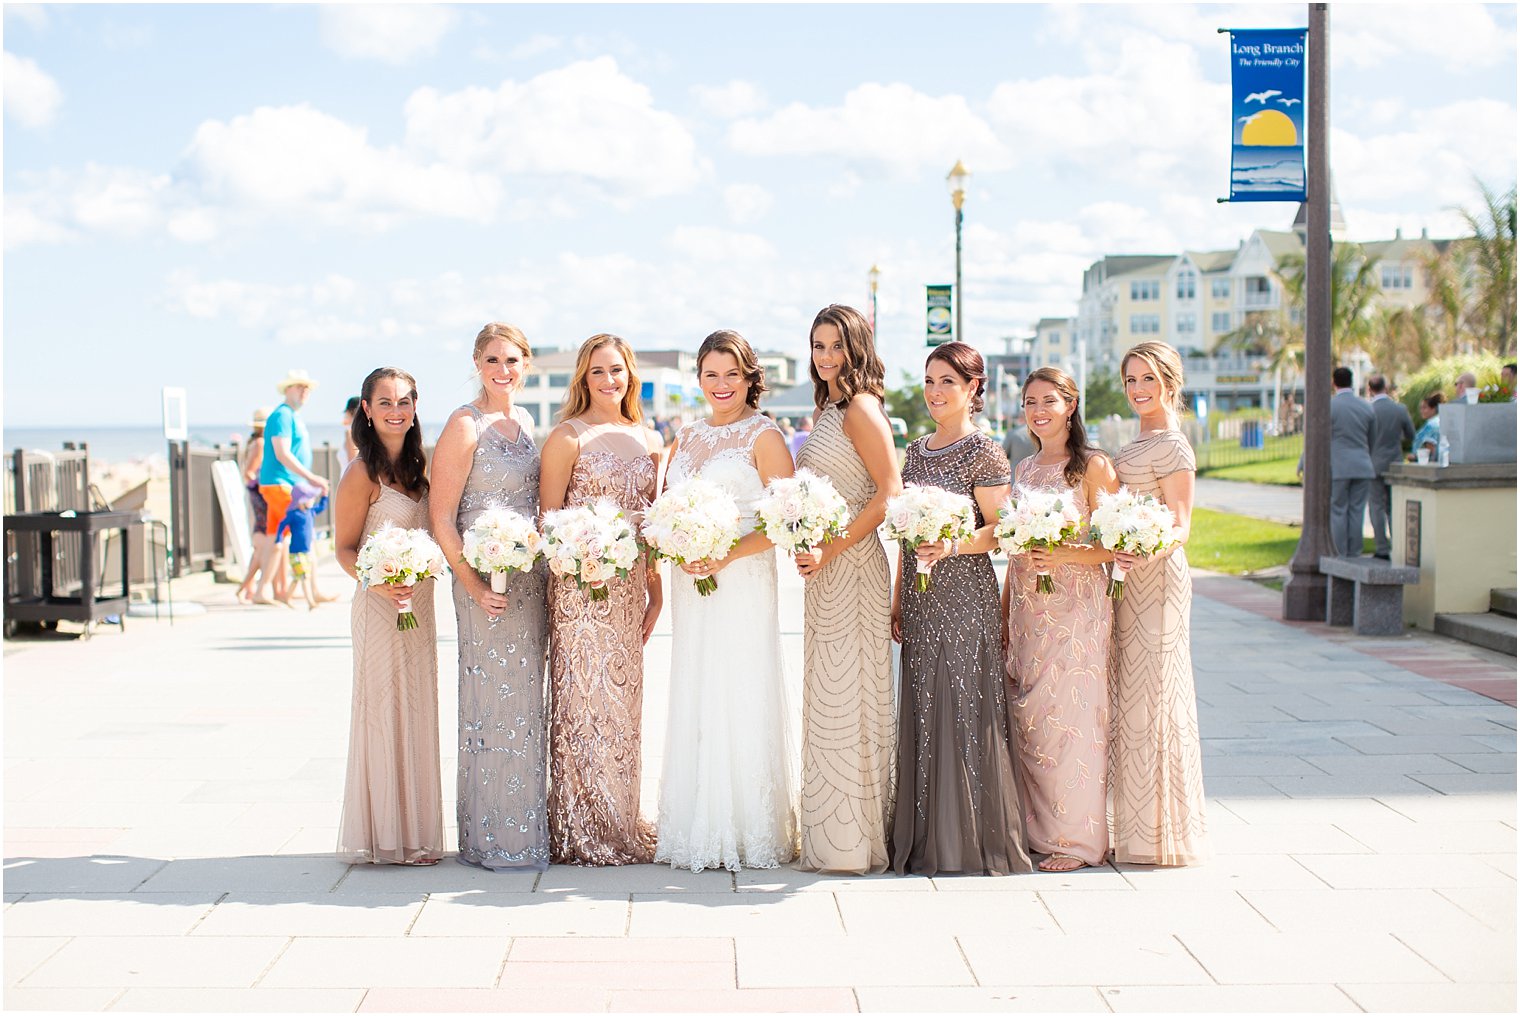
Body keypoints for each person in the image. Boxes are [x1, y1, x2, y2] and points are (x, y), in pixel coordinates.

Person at [655, 329, 798, 873]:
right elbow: (668, 507)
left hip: (740, 578)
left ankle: (747, 827)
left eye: (731, 374)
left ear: (749, 378)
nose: (721, 385)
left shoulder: (764, 436)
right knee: (696, 684)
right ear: (699, 380)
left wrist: (728, 553)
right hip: (692, 581)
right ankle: (696, 822)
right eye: (710, 374)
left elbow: (786, 521)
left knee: (739, 685)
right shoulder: (687, 438)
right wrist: (678, 543)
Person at [891, 341, 1031, 877]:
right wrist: (900, 593)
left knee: (963, 703)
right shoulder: (917, 451)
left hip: (965, 593)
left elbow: (1000, 530)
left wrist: (951, 544)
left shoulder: (984, 451)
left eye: (947, 381)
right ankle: (926, 836)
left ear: (973, 388)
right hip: (921, 597)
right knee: (925, 701)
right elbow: (906, 532)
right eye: (929, 381)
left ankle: (970, 840)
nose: (934, 392)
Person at [429, 323, 551, 872]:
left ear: (526, 364)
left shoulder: (524, 421)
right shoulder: (463, 424)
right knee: (490, 703)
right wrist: (473, 584)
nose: (504, 370)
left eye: (513, 360)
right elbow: (441, 516)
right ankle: (489, 837)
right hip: (481, 581)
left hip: (528, 579)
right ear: (477, 364)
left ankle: (525, 830)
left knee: (525, 702)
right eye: (493, 360)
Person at [539, 334, 664, 866]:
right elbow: (546, 523)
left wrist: (656, 592)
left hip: (631, 587)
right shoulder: (567, 437)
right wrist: (581, 558)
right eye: (597, 373)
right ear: (583, 381)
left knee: (622, 708)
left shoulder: (652, 438)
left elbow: (655, 523)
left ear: (630, 373)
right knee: (581, 705)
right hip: (579, 589)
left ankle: (619, 818)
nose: (609, 381)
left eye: (616, 370)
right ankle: (578, 826)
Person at [793, 304, 901, 875]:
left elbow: (889, 492)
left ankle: (854, 840)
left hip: (854, 564)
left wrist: (831, 548)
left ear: (857, 347)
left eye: (836, 345)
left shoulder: (860, 407)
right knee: (830, 692)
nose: (826, 356)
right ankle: (833, 833)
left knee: (851, 694)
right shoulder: (828, 407)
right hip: (825, 566)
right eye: (818, 345)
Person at [1001, 367, 1119, 872]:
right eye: (1030, 402)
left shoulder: (1093, 467)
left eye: (1049, 400)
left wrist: (1066, 554)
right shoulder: (1023, 469)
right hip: (1030, 604)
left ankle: (1077, 842)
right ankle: (1037, 831)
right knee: (1032, 719)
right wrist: (1005, 609)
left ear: (1071, 405)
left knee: (1072, 719)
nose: (1039, 410)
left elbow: (1115, 544)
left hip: (1078, 610)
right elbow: (1012, 544)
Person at [335, 367, 444, 866]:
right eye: (385, 403)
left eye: (404, 401)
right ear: (367, 409)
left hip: (419, 607)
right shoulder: (361, 473)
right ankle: (384, 835)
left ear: (415, 406)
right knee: (383, 712)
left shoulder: (423, 467)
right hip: (379, 607)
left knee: (417, 709)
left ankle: (417, 834)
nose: (396, 411)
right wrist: (376, 581)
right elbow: (343, 548)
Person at [1109, 341, 1207, 866]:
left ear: (1170, 381)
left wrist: (1141, 549)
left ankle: (1164, 832)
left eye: (1147, 379)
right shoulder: (1133, 441)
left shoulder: (1174, 446)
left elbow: (1182, 526)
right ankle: (1135, 826)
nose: (1138, 390)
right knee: (1132, 697)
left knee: (1157, 695)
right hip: (1127, 577)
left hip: (1159, 580)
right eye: (1130, 381)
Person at [255, 370, 328, 605]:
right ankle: (311, 591)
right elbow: (282, 453)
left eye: (307, 388)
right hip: (282, 484)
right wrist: (312, 478)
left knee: (275, 539)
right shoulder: (282, 416)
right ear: (287, 389)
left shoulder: (291, 416)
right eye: (299, 386)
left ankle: (265, 590)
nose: (304, 391)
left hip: (284, 484)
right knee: (301, 531)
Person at [236, 407, 285, 603]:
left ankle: (249, 588)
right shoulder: (260, 443)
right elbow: (249, 472)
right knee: (265, 542)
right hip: (260, 495)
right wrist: (261, 488)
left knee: (262, 543)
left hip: (257, 494)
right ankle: (250, 588)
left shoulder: (256, 442)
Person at [1329, 366, 1376, 558]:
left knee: (1338, 510)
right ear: (1352, 381)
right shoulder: (1366, 406)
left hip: (1339, 467)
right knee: (1357, 511)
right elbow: (1372, 438)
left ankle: (1339, 553)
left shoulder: (1329, 406)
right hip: (1363, 465)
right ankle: (1355, 552)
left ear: (1334, 382)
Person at [1366, 375, 1414, 561]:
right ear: (1386, 387)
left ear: (1370, 389)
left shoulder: (1368, 410)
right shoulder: (1399, 409)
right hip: (1395, 463)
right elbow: (1410, 434)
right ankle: (1399, 546)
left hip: (1373, 463)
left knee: (1376, 506)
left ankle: (1381, 548)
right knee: (1394, 507)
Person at [275, 480, 333, 608]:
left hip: (306, 552)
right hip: (296, 552)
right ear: (301, 500)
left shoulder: (310, 512)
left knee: (297, 577)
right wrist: (278, 540)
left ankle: (286, 598)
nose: (312, 501)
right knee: (305, 576)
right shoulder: (293, 514)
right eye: (310, 499)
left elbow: (322, 507)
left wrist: (325, 495)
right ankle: (310, 602)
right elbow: (281, 525)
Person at [1410, 392, 1443, 461]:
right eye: (1420, 408)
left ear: (1433, 409)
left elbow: (1430, 449)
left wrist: (1414, 457)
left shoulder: (1431, 425)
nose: (1421, 411)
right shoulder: (1440, 421)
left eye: (1424, 408)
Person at [339, 396, 361, 473]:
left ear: (350, 412)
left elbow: (353, 463)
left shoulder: (350, 433)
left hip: (348, 481)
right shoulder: (361, 433)